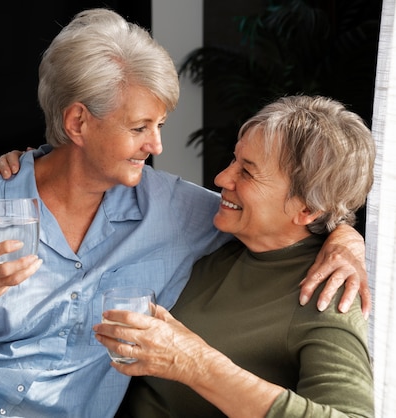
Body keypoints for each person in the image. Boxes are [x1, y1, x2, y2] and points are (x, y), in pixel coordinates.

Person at [0, 8, 368, 418]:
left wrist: (345, 235)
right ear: (78, 121)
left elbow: (277, 215)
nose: (156, 144)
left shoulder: (180, 211)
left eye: (160, 124)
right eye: (139, 127)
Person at [93, 95, 375, 417]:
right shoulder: (215, 233)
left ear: (307, 209)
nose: (222, 179)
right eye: (234, 160)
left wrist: (195, 363)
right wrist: (34, 170)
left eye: (248, 173)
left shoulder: (326, 295)